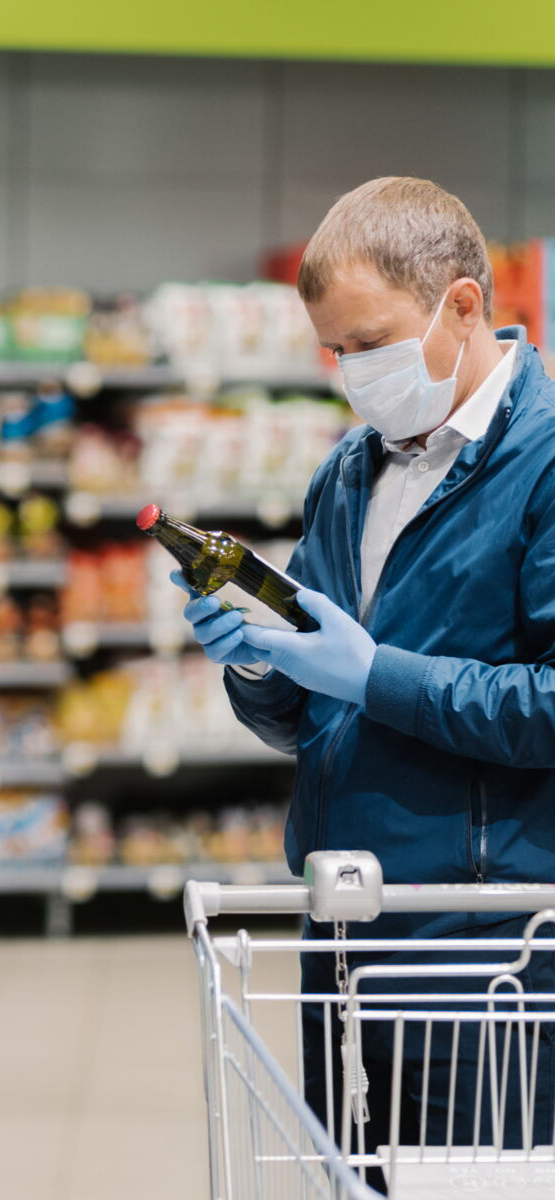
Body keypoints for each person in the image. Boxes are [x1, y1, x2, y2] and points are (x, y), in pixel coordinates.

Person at [176, 177, 555, 1183]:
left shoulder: (546, 463)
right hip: (345, 929)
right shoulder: (349, 473)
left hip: (487, 948)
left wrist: (376, 673)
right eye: (335, 351)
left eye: (369, 341)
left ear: (461, 304)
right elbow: (305, 715)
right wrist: (259, 661)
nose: (352, 372)